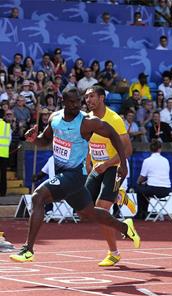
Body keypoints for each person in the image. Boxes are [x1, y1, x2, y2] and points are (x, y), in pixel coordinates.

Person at [10, 88, 140, 262]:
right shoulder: (55, 118)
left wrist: (122, 165)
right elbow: (45, 140)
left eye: (78, 101)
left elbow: (115, 136)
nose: (76, 105)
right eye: (71, 102)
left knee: (37, 197)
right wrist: (34, 139)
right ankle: (124, 227)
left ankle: (28, 249)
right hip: (63, 173)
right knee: (87, 213)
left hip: (76, 175)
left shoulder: (87, 122)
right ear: (63, 101)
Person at [84, 86, 136, 267]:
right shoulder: (86, 118)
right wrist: (88, 160)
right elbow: (90, 142)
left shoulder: (114, 119)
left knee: (101, 209)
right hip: (97, 167)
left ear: (101, 98)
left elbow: (128, 149)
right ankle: (119, 196)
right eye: (86, 97)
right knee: (83, 208)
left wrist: (106, 164)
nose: (88, 100)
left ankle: (113, 253)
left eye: (92, 97)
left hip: (114, 167)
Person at [135, 139, 171, 220]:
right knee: (144, 188)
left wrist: (138, 183)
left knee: (139, 188)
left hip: (154, 189)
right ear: (160, 149)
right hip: (166, 190)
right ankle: (144, 212)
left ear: (150, 149)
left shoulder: (147, 161)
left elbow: (142, 177)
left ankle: (141, 212)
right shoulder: (166, 160)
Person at [0, 116, 9, 197]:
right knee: (3, 174)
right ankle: (3, 192)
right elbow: (9, 140)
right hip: (4, 153)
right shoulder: (7, 126)